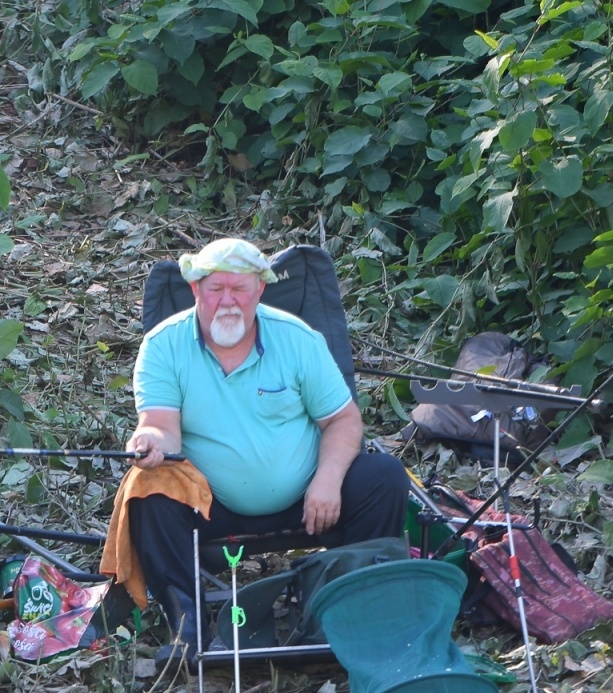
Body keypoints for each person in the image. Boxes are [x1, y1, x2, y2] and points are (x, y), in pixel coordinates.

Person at [121, 238, 407, 659]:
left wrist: (327, 481)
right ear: (196, 290)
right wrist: (148, 443)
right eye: (216, 289)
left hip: (310, 500)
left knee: (383, 477)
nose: (228, 301)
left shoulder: (298, 340)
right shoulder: (164, 345)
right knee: (146, 488)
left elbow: (343, 421)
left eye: (240, 289)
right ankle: (188, 627)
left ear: (260, 290)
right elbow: (162, 428)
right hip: (210, 503)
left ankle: (349, 607)